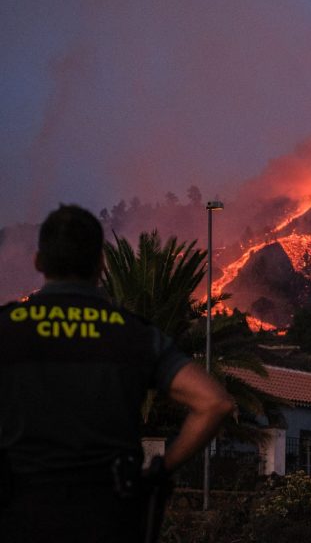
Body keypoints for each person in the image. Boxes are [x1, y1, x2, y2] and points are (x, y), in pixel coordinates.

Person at [0, 205, 235, 542]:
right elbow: (215, 403)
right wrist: (161, 469)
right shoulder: (133, 335)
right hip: (108, 515)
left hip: (20, 514)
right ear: (101, 264)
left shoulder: (8, 329)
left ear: (38, 261)